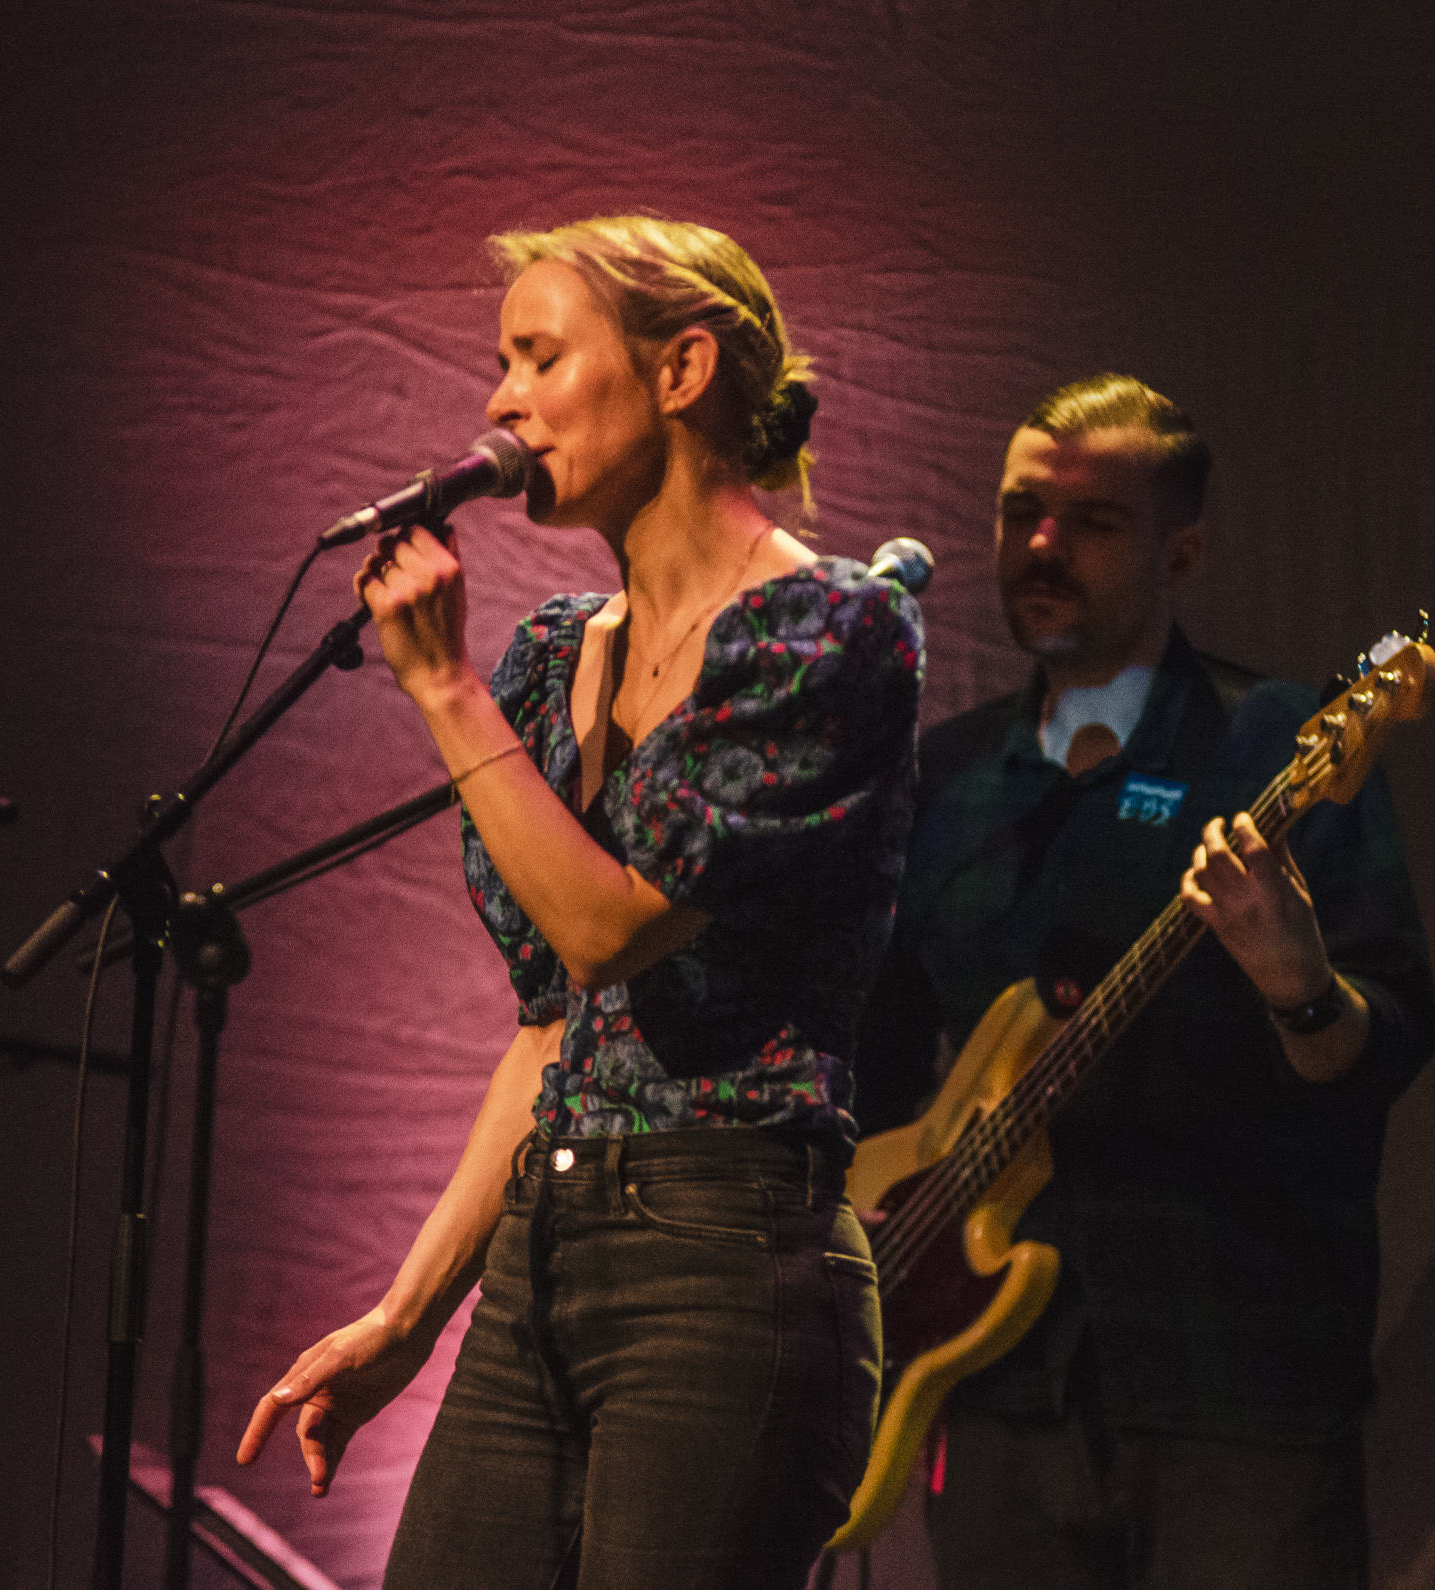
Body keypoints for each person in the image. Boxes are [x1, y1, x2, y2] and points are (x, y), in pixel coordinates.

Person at [236, 215, 923, 1589]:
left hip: (728, 1254)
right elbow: (558, 1021)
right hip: (546, 1244)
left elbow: (611, 921)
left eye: (541, 356)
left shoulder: (828, 630)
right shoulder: (557, 655)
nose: (498, 399)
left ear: (681, 369)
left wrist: (440, 688)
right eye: (502, 362)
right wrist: (407, 1312)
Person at [853, 374, 1435, 1588]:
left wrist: (1298, 984)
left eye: (1094, 522)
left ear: (1183, 552)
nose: (1043, 546)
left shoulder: (1275, 745)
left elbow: (1385, 1043)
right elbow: (872, 1073)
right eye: (1022, 513)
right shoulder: (945, 776)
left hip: (1235, 1382)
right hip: (994, 1386)